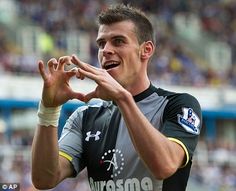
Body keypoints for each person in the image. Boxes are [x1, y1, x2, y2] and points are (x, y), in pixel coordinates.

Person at [31, 4, 202, 191]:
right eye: (101, 43)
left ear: (146, 50)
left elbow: (165, 166)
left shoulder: (179, 105)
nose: (106, 50)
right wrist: (48, 110)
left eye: (118, 41)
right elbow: (44, 179)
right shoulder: (85, 117)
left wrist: (123, 98)